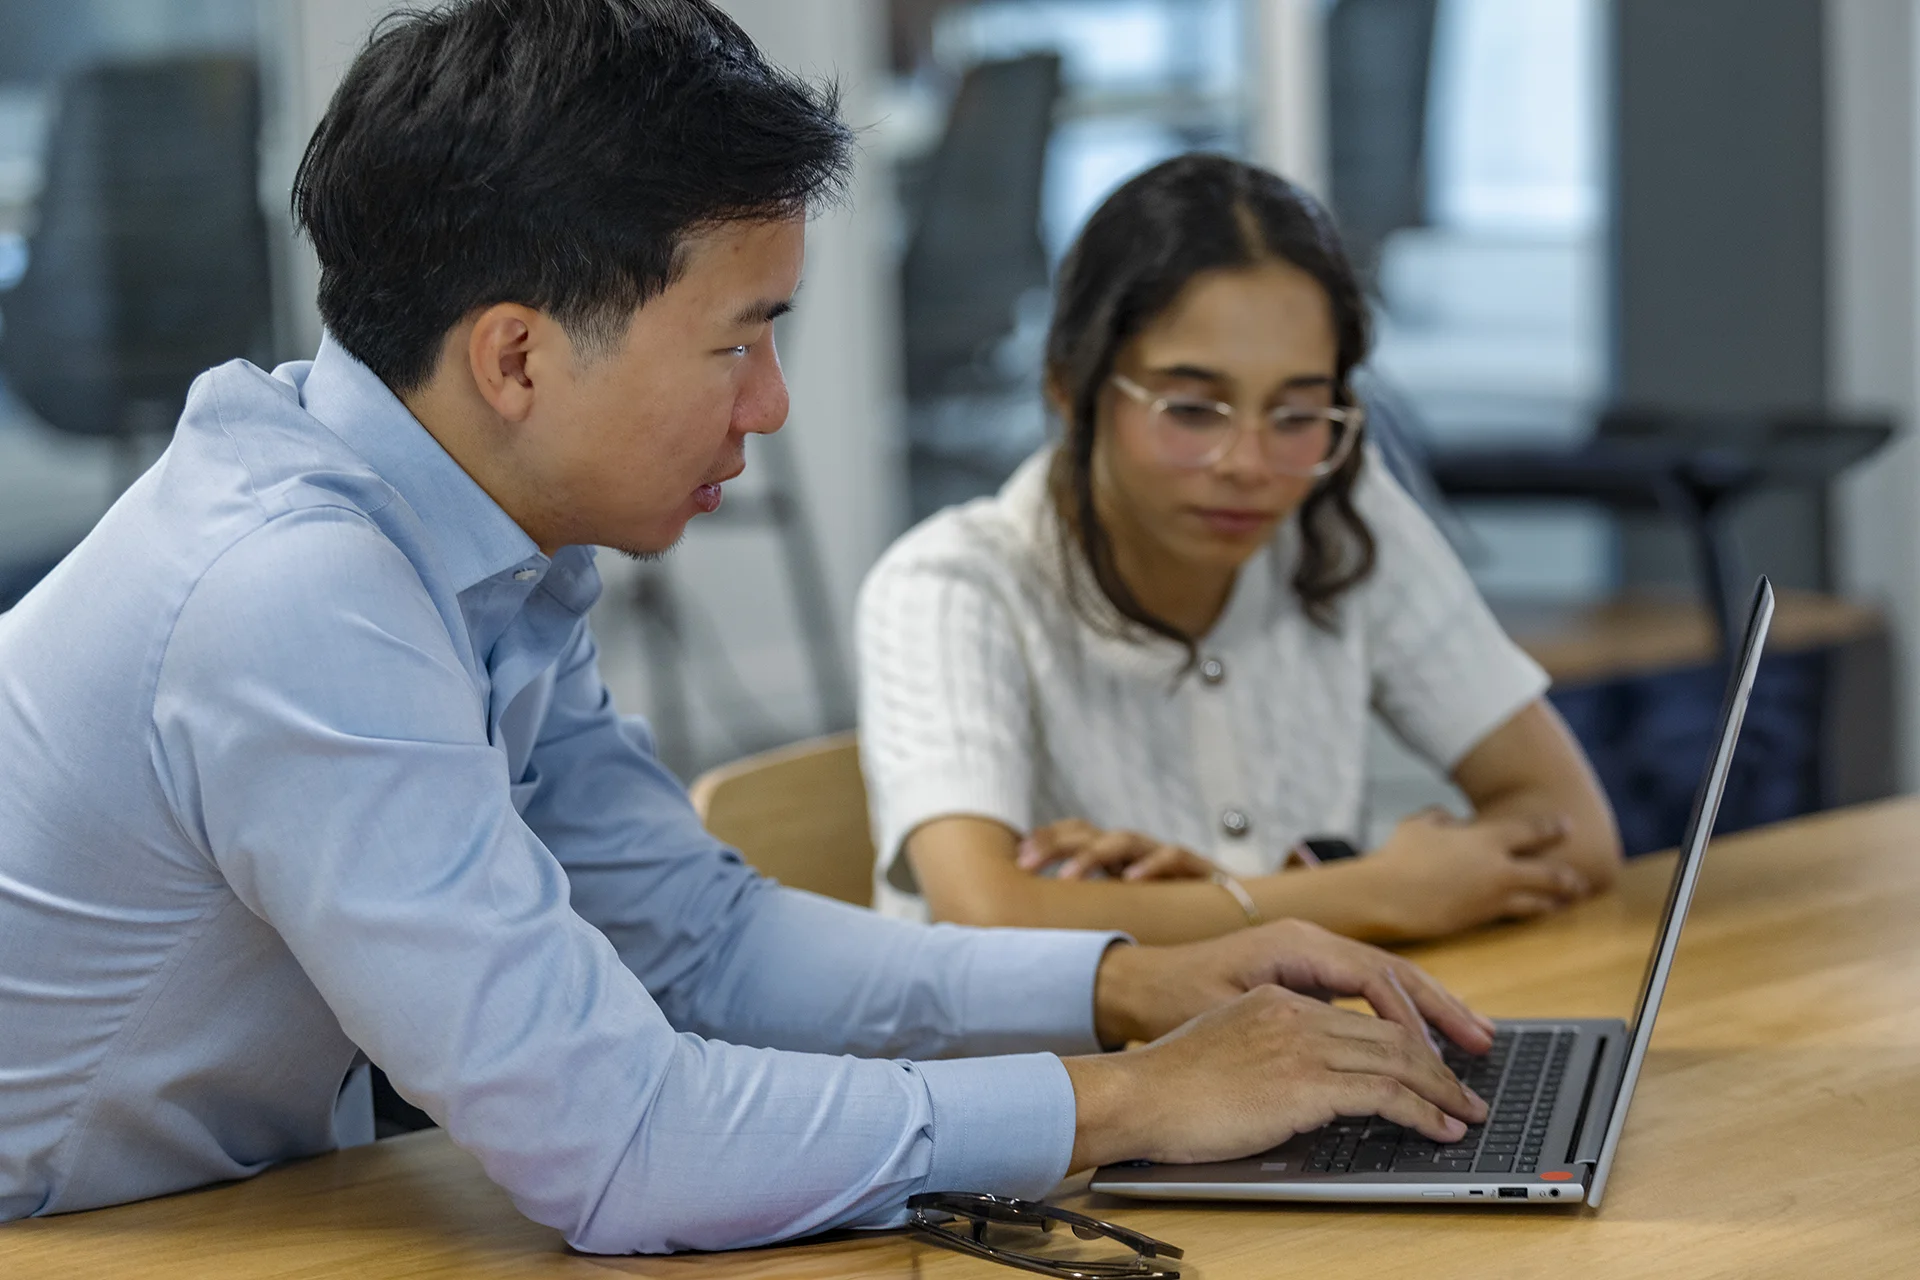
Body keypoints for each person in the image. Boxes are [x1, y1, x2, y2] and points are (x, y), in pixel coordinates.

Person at [0, 0, 1495, 1256]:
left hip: (232, 1216)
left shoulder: (473, 549)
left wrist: (1125, 984)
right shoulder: (297, 593)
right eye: (740, 338)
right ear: (516, 356)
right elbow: (623, 1145)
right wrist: (1135, 1100)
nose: (771, 404)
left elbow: (697, 948)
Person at [857, 154, 1622, 945]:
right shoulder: (949, 586)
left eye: (1297, 416)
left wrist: (1228, 900)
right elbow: (985, 916)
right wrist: (1377, 893)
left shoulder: (1340, 518)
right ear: (1070, 387)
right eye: (1192, 410)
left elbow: (1573, 827)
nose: (1249, 465)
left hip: (1276, 1051)